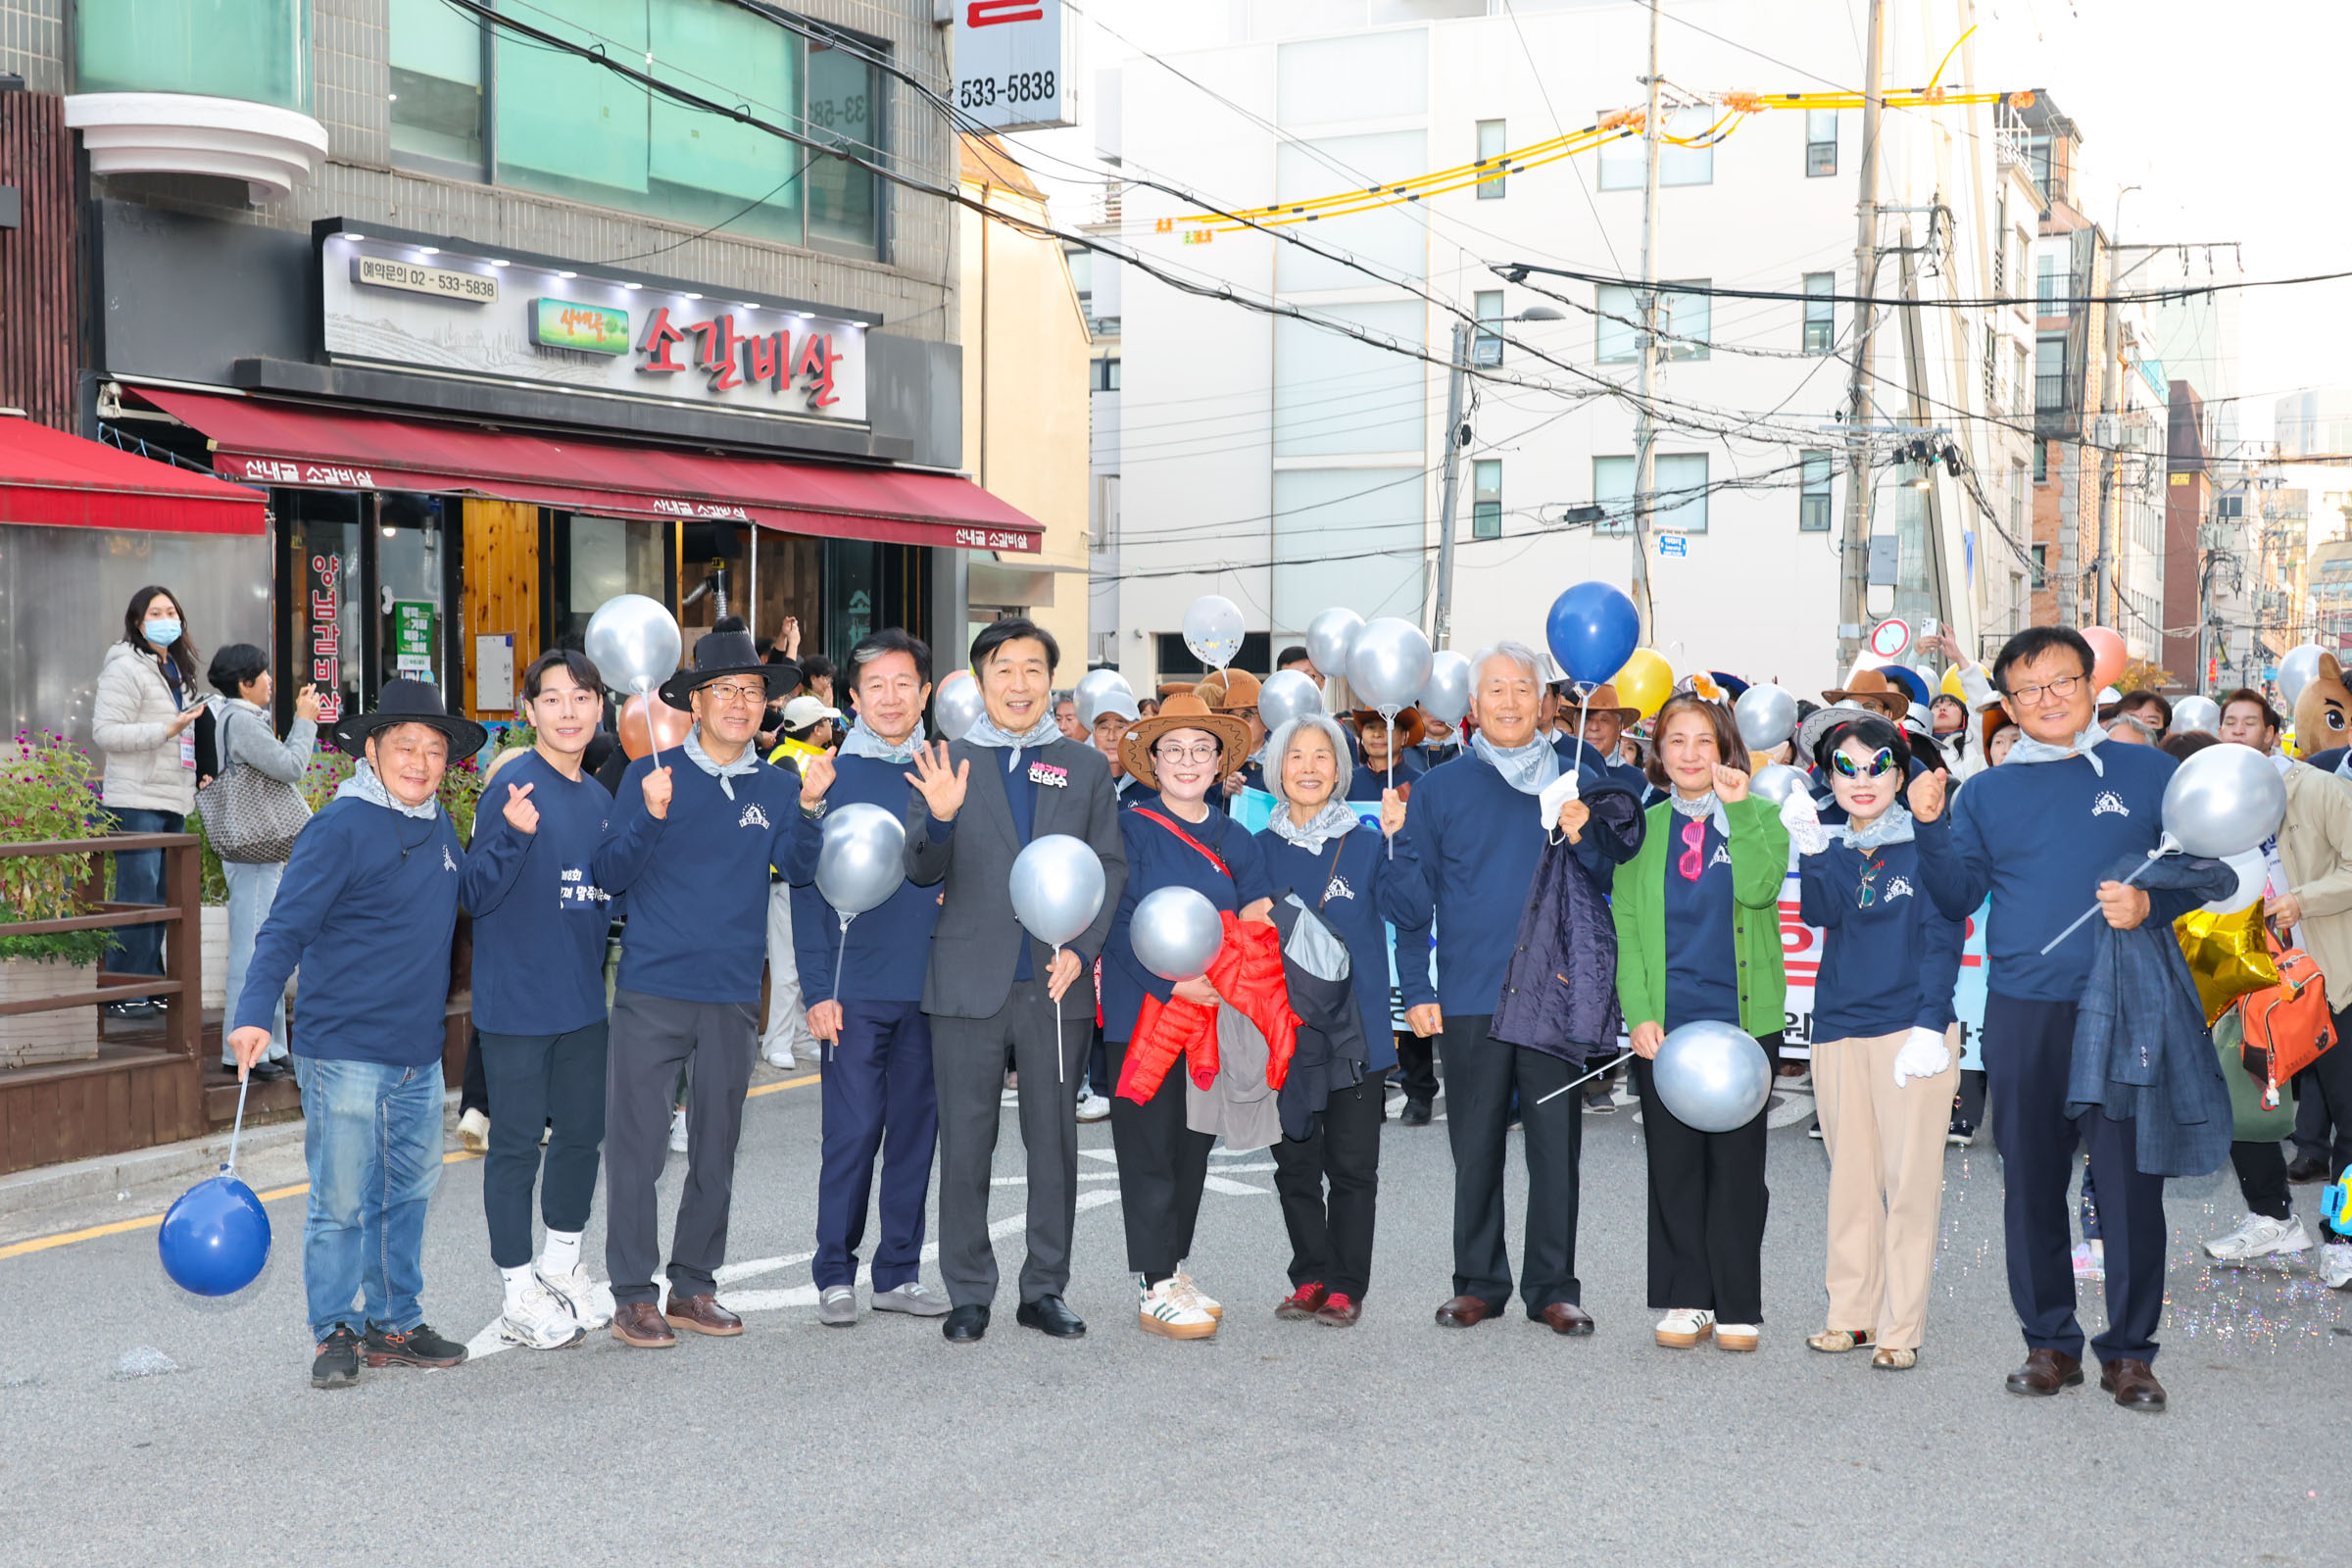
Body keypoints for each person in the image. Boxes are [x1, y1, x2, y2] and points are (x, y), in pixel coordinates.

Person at [1909, 625, 2198, 1412]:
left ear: (2092, 685)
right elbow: (1956, 895)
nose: (2047, 699)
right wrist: (1929, 826)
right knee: (2031, 1180)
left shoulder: (2149, 772)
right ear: (2007, 704)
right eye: (2027, 689)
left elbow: (2203, 872)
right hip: (2024, 1006)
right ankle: (2050, 1344)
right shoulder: (1987, 792)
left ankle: (2130, 1354)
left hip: (2125, 1004)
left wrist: (2152, 903)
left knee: (2130, 1186)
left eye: (2062, 681)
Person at [226, 680, 482, 1389]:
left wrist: (518, 839)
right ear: (372, 749)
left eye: (434, 750)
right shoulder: (338, 827)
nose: (421, 762)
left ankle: (394, 1322)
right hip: (342, 1050)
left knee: (406, 1194)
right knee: (340, 1200)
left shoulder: (440, 826)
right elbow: (284, 927)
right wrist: (252, 1013)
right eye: (405, 746)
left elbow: (472, 899)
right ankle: (333, 1329)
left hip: (417, 1053)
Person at [1387, 642, 1643, 1337]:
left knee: (1556, 1147)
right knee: (1474, 1146)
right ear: (1473, 706)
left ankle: (1554, 1288)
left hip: (1554, 991)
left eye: (1522, 689)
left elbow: (1611, 876)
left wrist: (1585, 835)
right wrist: (1417, 987)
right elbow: (1410, 905)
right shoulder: (1438, 789)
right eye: (1495, 690)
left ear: (1546, 703)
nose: (1509, 701)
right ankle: (1478, 1282)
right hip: (1471, 992)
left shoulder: (1579, 776)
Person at [904, 617, 1127, 1345]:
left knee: (1053, 1142)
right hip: (966, 978)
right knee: (966, 1142)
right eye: (1004, 669)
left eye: (1033, 668)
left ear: (1051, 681)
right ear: (981, 681)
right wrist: (940, 820)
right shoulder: (947, 759)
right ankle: (969, 1292)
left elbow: (1109, 865)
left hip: (1056, 978)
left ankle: (1044, 1289)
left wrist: (1083, 947)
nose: (1019, 683)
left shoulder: (1084, 766)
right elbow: (919, 868)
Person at [593, 616, 801, 1349]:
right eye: (725, 690)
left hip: (734, 992)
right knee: (639, 1147)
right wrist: (649, 817)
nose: (740, 703)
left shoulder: (778, 786)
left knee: (716, 1144)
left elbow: (801, 868)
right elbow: (608, 874)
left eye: (752, 691)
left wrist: (811, 807)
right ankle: (631, 1294)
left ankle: (693, 1285)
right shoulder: (650, 774)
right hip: (653, 988)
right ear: (697, 702)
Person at [1611, 693, 1790, 1353]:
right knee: (1674, 1166)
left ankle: (1738, 1303)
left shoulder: (1761, 816)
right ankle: (1688, 1297)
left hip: (1744, 1024)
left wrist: (1738, 810)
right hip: (1668, 1026)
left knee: (1739, 1169)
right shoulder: (1641, 829)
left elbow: (1759, 890)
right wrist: (1639, 1014)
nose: (1690, 754)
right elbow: (1627, 930)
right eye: (1676, 741)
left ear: (1726, 750)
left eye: (1704, 741)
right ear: (1658, 754)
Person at [785, 628, 953, 1325]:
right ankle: (834, 1272)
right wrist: (817, 991)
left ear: (926, 693)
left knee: (915, 1135)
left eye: (903, 683)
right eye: (875, 686)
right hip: (852, 991)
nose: (890, 697)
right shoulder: (828, 776)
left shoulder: (947, 771)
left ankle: (899, 1273)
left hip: (933, 990)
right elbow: (804, 890)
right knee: (851, 1135)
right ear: (852, 698)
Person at [460, 650, 619, 1350]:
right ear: (529, 711)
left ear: (600, 707)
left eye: (581, 697)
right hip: (517, 1004)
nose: (568, 712)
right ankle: (517, 1288)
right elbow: (472, 894)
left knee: (582, 1135)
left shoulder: (600, 798)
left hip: (582, 999)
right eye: (552, 699)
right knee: (516, 1146)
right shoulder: (511, 783)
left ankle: (561, 1264)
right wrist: (513, 839)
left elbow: (608, 895)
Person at [1102, 692, 1275, 1338]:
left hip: (1212, 1014)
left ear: (1221, 761)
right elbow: (1114, 921)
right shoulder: (1128, 828)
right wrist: (1171, 984)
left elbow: (1257, 920)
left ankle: (1172, 1267)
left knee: (1191, 1147)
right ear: (1151, 761)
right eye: (1172, 749)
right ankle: (1154, 1285)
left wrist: (1225, 980)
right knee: (1147, 1146)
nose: (1187, 760)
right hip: (1143, 1010)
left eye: (1202, 749)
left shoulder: (1237, 837)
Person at [1796, 713, 1965, 1370]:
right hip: (1839, 1027)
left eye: (1876, 766)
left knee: (1909, 1184)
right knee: (1851, 1181)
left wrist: (1930, 1023)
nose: (1862, 780)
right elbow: (1821, 912)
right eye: (1846, 768)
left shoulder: (1928, 843)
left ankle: (1900, 1327)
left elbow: (1943, 938)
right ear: (1829, 778)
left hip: (1911, 1031)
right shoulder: (1834, 845)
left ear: (1900, 774)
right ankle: (1851, 1317)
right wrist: (1812, 850)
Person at [2200, 691, 2352, 1288]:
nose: (2238, 731)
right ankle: (2272, 1218)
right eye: (2228, 722)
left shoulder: (2319, 790)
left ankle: (2343, 1235)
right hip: (2251, 982)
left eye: (2250, 722)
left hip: (2331, 978)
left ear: (2272, 732)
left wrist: (2301, 901)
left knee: (2348, 1113)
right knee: (2245, 1107)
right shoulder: (2212, 800)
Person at [1257, 713, 1402, 1326]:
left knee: (1352, 1168)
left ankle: (1345, 1286)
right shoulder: (1255, 849)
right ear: (1277, 769)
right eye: (1297, 756)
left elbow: (1409, 909)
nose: (1310, 768)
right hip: (1283, 1033)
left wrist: (1400, 840)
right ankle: (1310, 1277)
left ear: (1340, 769)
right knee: (1294, 1166)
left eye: (1323, 755)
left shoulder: (1366, 843)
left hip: (1356, 1032)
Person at [201, 643, 317, 1081]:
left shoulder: (238, 717)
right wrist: (305, 721)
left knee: (264, 944)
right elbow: (291, 766)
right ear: (245, 683)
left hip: (256, 847)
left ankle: (271, 1046)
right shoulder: (242, 721)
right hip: (253, 851)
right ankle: (241, 1052)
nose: (271, 681)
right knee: (253, 949)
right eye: (264, 675)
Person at [91, 586, 204, 1020]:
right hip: (136, 797)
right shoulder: (124, 667)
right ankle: (122, 989)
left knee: (161, 896)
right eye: (155, 613)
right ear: (138, 622)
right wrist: (165, 730)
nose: (165, 619)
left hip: (172, 796)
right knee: (138, 895)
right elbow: (106, 732)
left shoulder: (175, 666)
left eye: (171, 611)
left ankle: (149, 983)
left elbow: (184, 732)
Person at [760, 695, 839, 1070]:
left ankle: (800, 1037)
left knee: (802, 960)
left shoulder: (805, 756)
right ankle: (777, 1040)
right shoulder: (788, 760)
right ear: (816, 728)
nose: (830, 727)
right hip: (787, 877)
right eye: (825, 721)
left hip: (811, 876)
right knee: (788, 963)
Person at [1347, 708, 1427, 801]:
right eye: (1370, 727)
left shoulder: (1420, 784)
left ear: (1404, 736)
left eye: (1386, 727)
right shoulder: (1347, 783)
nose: (1376, 734)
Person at [1817, 669, 1913, 726]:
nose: (1860, 713)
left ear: (1886, 714)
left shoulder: (1896, 752)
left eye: (1870, 707)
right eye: (1852, 705)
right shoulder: (1827, 747)